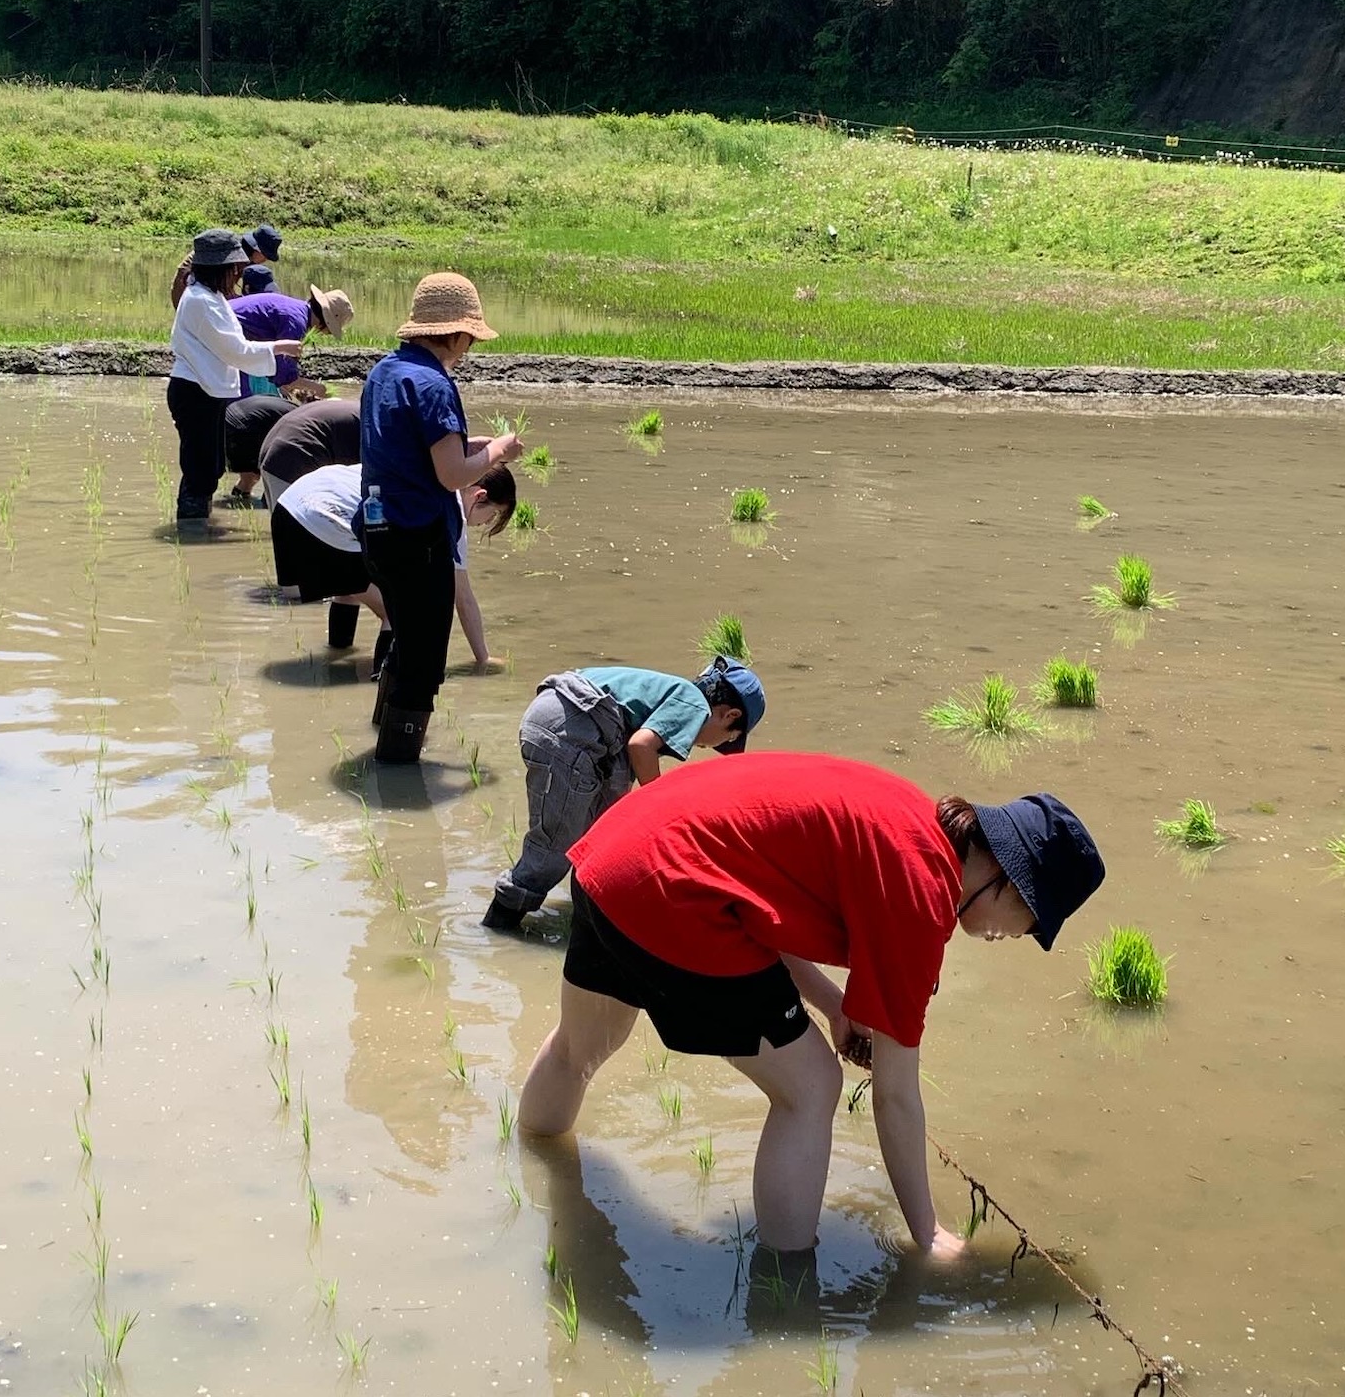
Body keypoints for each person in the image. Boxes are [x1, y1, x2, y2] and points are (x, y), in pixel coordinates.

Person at [517, 754, 1105, 1260]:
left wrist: (832, 1004)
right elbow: (896, 1094)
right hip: (672, 888)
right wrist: (926, 1233)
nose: (1019, 937)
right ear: (1008, 880)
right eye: (1032, 924)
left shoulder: (909, 818)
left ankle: (525, 1167)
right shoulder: (923, 895)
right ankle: (787, 1288)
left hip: (618, 855)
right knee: (812, 1086)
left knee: (582, 1046)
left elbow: (756, 903)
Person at [361, 272, 522, 764]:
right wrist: (497, 450)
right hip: (416, 535)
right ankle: (400, 767)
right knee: (424, 656)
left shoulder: (385, 372)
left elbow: (406, 449)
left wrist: (466, 449)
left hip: (376, 526)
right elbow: (452, 476)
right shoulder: (433, 384)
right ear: (452, 333)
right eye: (469, 335)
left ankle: (382, 736)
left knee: (407, 639)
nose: (470, 344)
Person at [482, 657, 766, 933]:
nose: (713, 746)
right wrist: (660, 806)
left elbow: (632, 748)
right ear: (730, 715)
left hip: (570, 718)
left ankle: (596, 919)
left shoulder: (667, 695)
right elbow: (641, 746)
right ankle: (498, 928)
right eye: (729, 738)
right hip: (570, 729)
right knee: (554, 848)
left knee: (606, 834)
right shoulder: (695, 703)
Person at [270, 461, 517, 677]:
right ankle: (382, 685)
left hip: (288, 512)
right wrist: (483, 658)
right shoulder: (450, 510)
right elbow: (463, 599)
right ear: (478, 495)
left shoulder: (424, 472)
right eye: (493, 515)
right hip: (321, 521)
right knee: (398, 609)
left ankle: (335, 654)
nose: (486, 523)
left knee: (350, 588)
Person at [166, 229, 301, 528]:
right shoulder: (201, 301)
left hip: (206, 391)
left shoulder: (210, 296)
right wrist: (278, 347)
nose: (238, 275)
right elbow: (235, 350)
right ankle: (192, 531)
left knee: (210, 465)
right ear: (220, 270)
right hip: (194, 392)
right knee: (200, 468)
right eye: (234, 269)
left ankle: (200, 525)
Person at [232, 285, 353, 400]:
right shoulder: (296, 323)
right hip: (228, 339)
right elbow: (283, 372)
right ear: (325, 322)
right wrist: (319, 389)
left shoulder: (297, 311)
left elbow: (277, 366)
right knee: (239, 402)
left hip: (232, 341)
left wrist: (288, 385)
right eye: (329, 331)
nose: (325, 334)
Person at [258, 397, 361, 510]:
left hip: (274, 443)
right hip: (296, 451)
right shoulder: (375, 427)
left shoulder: (362, 413)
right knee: (300, 522)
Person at [170, 223, 281, 309]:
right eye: (266, 256)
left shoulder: (241, 253)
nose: (265, 260)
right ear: (257, 251)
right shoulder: (233, 257)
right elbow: (223, 290)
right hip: (188, 290)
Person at [221, 395, 296, 508]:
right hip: (243, 426)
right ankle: (264, 508)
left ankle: (238, 503)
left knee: (249, 479)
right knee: (264, 476)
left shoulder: (296, 410)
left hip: (229, 416)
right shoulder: (303, 422)